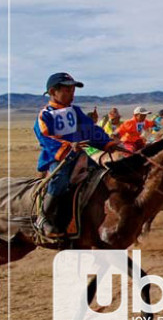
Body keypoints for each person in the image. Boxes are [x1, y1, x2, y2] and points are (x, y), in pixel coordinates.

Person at [34, 73, 119, 237]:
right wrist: (67, 146)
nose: (72, 94)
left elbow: (90, 129)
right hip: (56, 158)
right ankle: (43, 218)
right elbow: (45, 137)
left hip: (79, 156)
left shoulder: (75, 111)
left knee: (102, 175)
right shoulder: (45, 114)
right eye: (67, 90)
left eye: (73, 90)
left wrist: (107, 143)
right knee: (60, 179)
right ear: (53, 91)